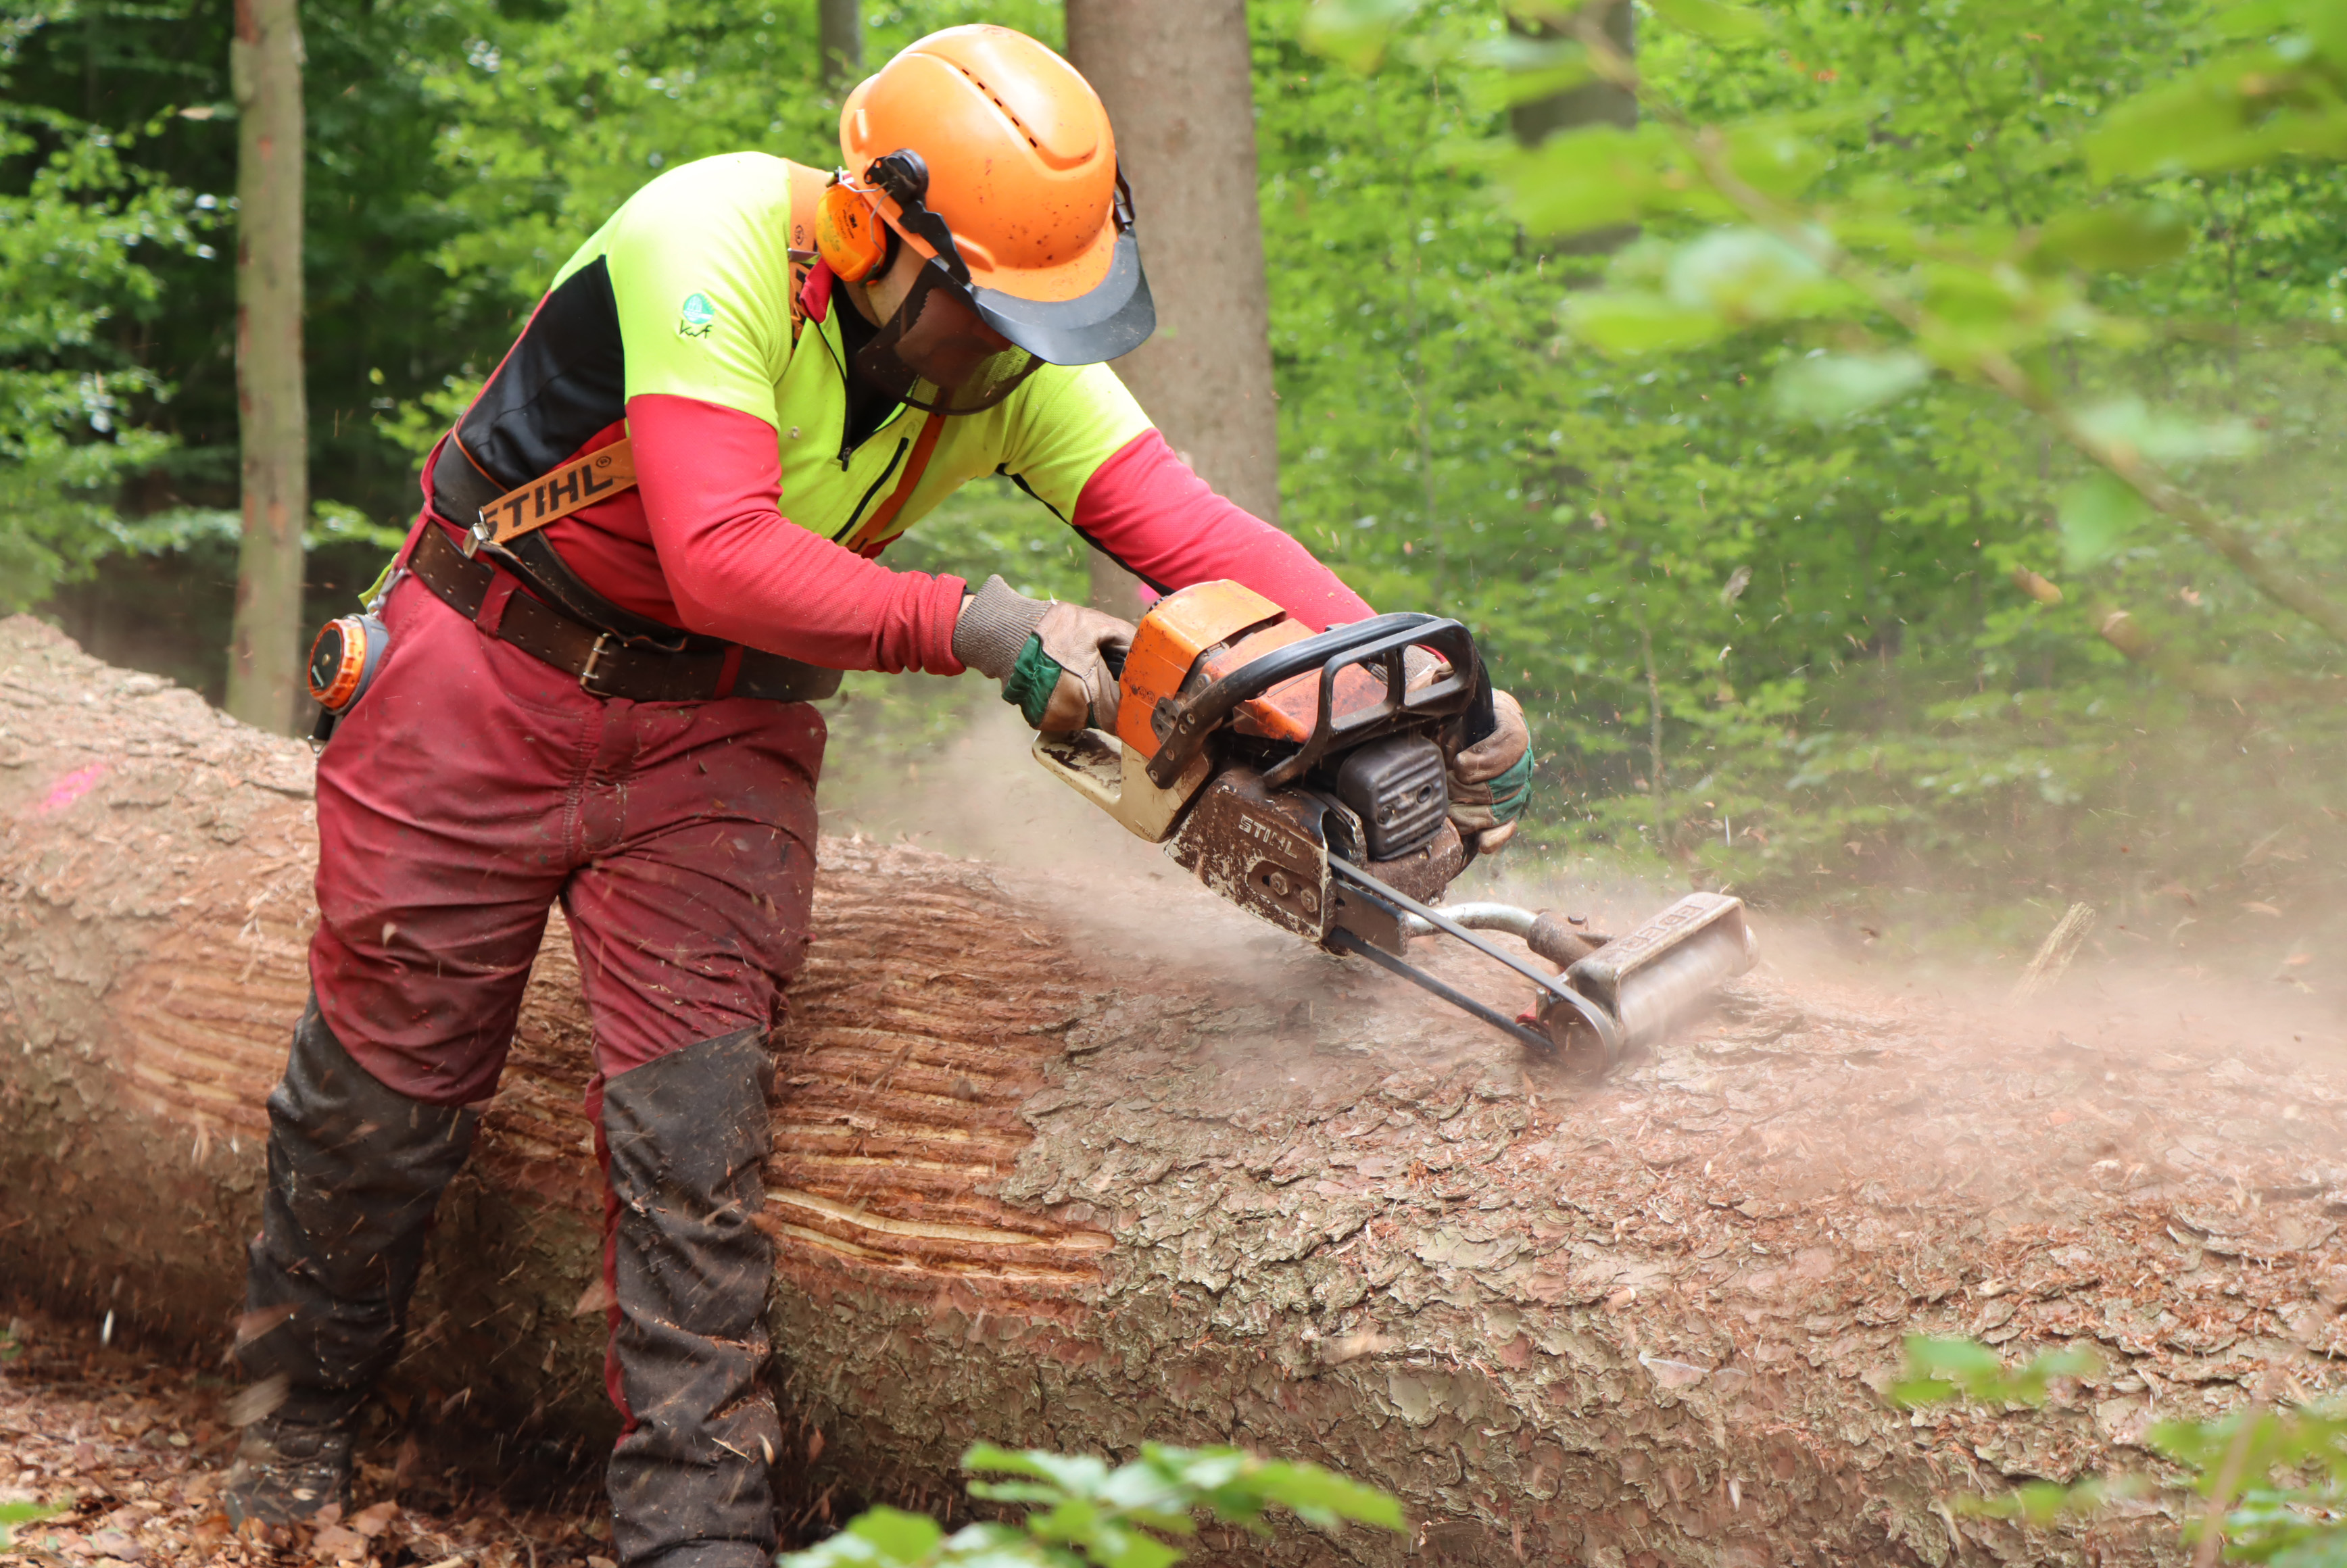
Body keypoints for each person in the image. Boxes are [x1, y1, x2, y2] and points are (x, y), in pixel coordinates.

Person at [222, 22, 1532, 1567]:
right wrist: (984, 623)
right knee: (387, 1096)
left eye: (1038, 322)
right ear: (866, 233)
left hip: (713, 737)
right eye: (982, 314)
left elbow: (1192, 530)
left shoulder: (1014, 356)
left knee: (691, 1147)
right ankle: (287, 1444)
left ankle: (691, 1539)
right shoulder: (704, 235)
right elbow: (716, 547)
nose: (1010, 355)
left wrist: (1398, 678)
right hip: (482, 673)